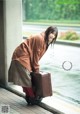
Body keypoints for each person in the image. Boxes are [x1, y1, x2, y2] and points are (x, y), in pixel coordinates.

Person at [8, 26, 58, 105]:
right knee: (26, 80)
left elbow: (35, 57)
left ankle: (30, 97)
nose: (52, 36)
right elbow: (35, 56)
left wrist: (35, 69)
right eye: (51, 33)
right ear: (47, 31)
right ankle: (32, 98)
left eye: (54, 34)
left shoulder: (45, 40)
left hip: (22, 57)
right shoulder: (40, 39)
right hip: (21, 57)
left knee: (25, 79)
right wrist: (36, 70)